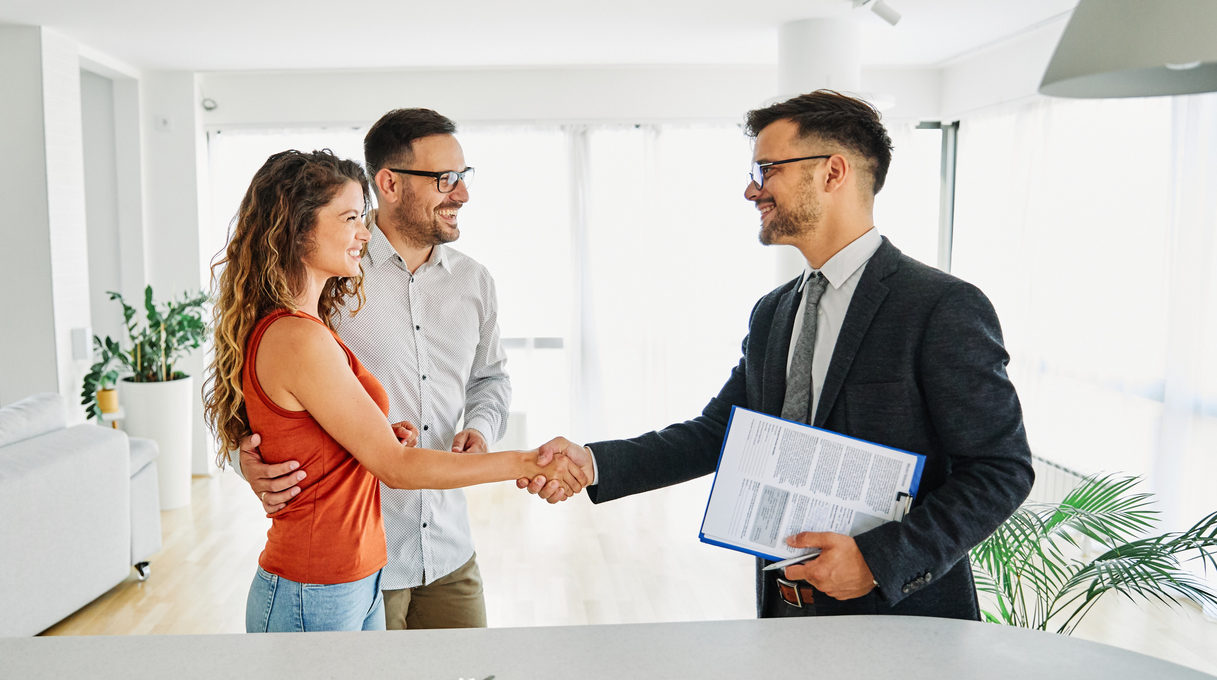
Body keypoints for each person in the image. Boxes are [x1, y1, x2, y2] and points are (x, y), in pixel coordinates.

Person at [523, 90, 1034, 620]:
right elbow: (720, 432)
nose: (751, 189)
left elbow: (1001, 468)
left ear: (833, 172)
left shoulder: (941, 306)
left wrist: (878, 561)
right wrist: (594, 462)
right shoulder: (774, 312)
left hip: (901, 615)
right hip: (786, 609)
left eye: (766, 170)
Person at [203, 149, 584, 633]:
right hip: (317, 584)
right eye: (349, 218)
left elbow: (325, 431)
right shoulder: (299, 336)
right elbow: (396, 467)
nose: (363, 231)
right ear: (298, 229)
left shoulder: (314, 322)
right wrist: (528, 462)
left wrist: (379, 432)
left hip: (364, 570)